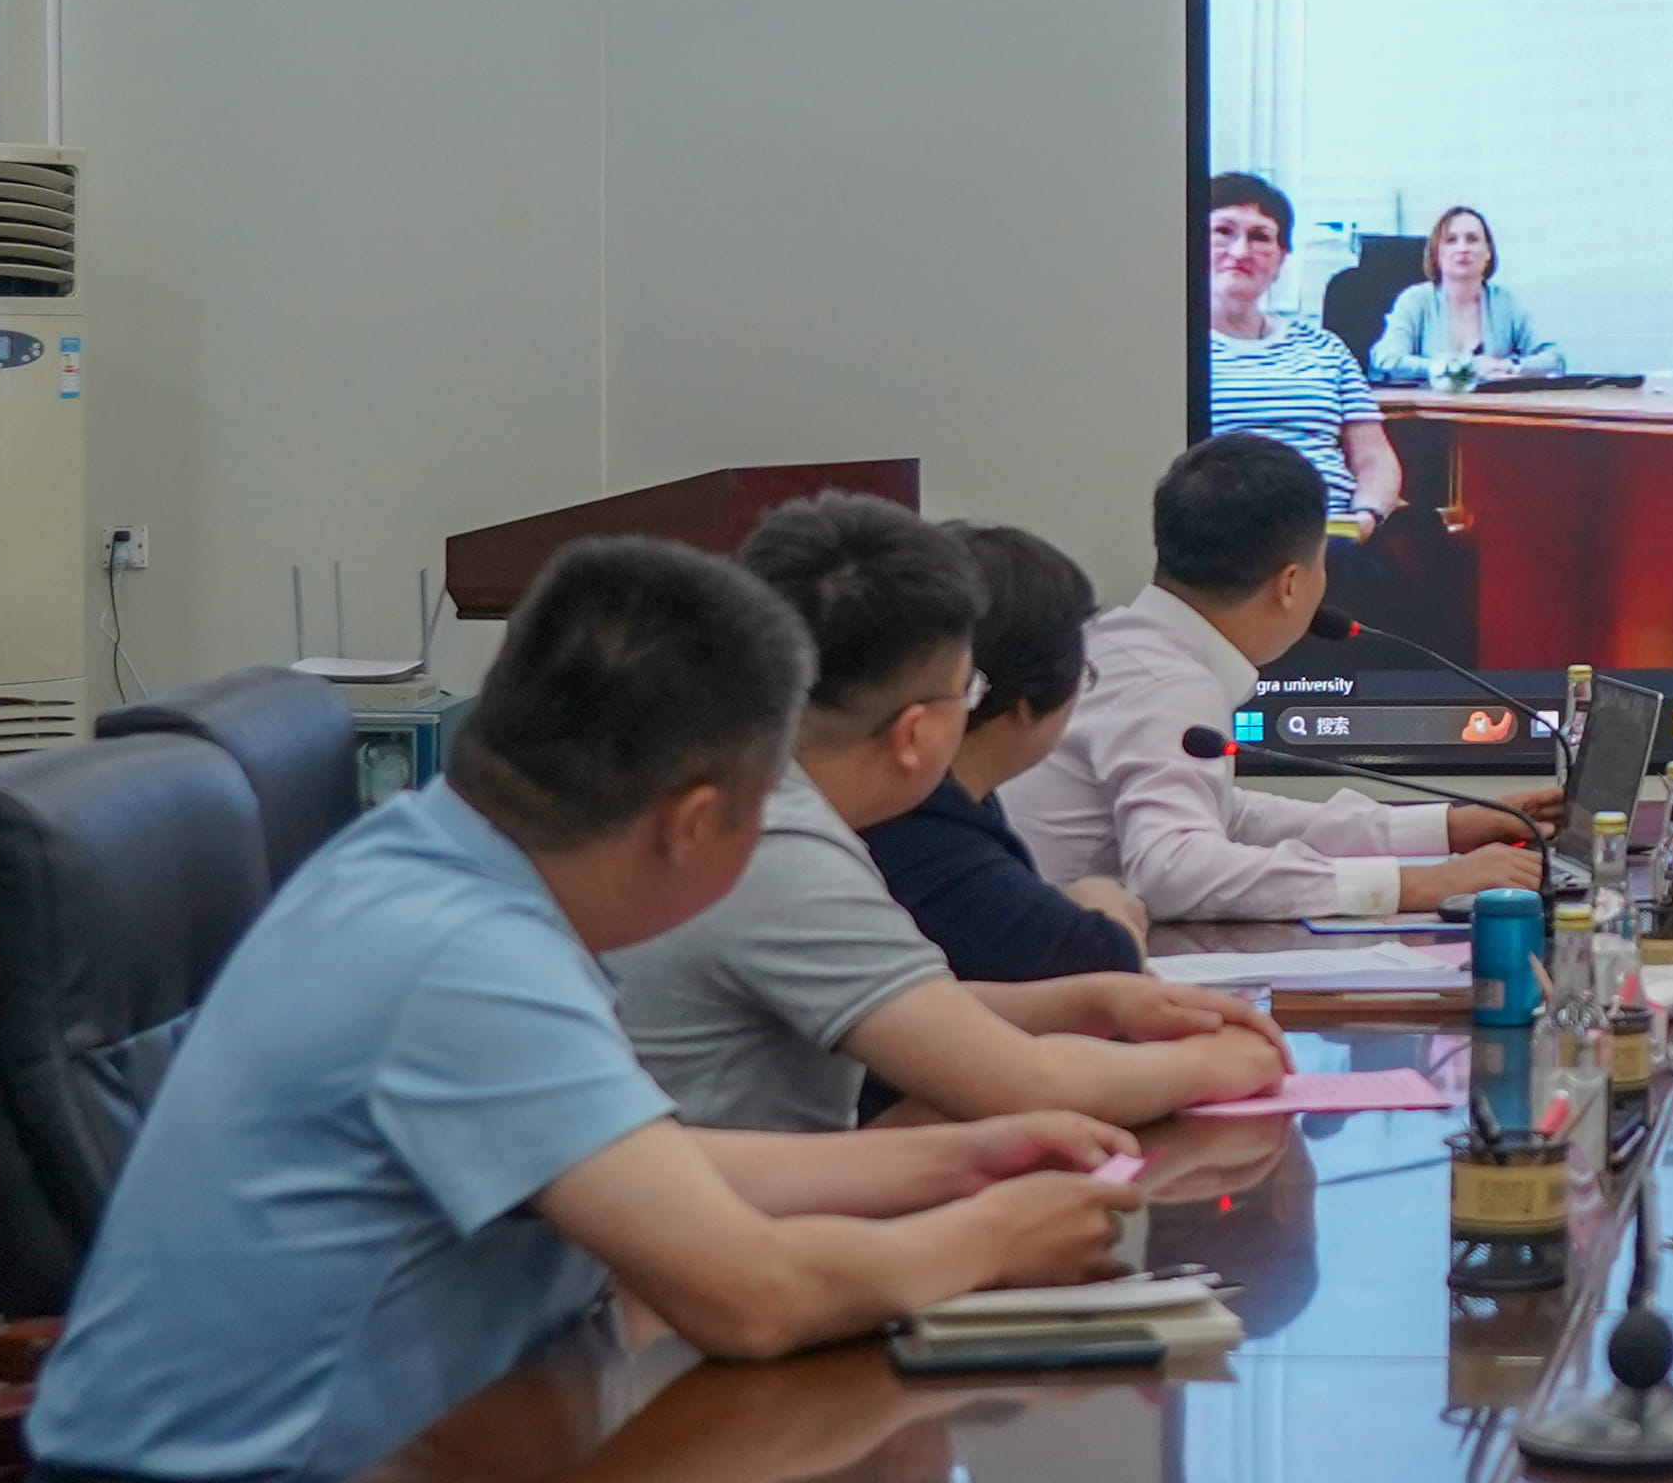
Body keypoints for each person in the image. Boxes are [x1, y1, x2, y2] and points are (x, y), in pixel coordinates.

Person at [11, 537, 1146, 1483]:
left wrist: (951, 1161)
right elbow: (753, 1297)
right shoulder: (464, 955)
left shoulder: (430, 855)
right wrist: (992, 1237)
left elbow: (631, 1161)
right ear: (695, 822)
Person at [611, 493, 1293, 1140]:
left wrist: (1097, 1000)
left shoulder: (739, 792)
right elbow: (1026, 1081)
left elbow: (915, 1006)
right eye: (967, 690)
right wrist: (1222, 1065)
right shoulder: (784, 854)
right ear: (914, 733)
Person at [1009, 435, 1545, 921]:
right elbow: (1176, 870)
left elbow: (1227, 815)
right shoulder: (1168, 685)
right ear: (1290, 584)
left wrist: (1448, 828)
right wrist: (1421, 885)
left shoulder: (1128, 645)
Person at [862, 520, 1157, 981]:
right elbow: (1094, 957)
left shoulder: (953, 795)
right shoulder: (917, 818)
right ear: (1028, 701)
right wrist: (1101, 901)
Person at [1199, 171, 1401, 526]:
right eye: (1223, 231)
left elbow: (1374, 458)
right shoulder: (1168, 352)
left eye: (1260, 237)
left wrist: (1366, 517)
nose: (1241, 251)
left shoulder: (1326, 348)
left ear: (1281, 260)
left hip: (1332, 536)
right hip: (1221, 537)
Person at [1368, 203, 1551, 382]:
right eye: (1451, 240)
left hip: (1494, 402)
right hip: (1430, 402)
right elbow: (1386, 359)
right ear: (1437, 253)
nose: (1462, 248)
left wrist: (1508, 366)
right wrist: (1456, 369)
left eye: (1472, 239)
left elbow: (1553, 358)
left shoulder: (1505, 302)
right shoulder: (1416, 300)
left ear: (1488, 252)